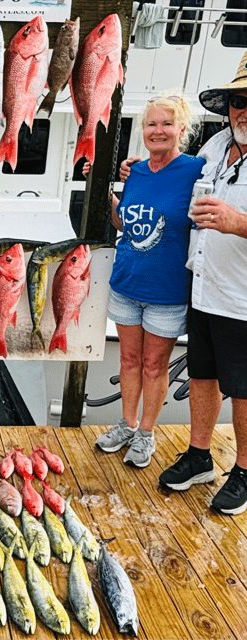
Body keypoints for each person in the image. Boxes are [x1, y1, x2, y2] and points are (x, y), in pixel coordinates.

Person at [91, 91, 204, 468]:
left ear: (182, 129)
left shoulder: (195, 169)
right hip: (127, 283)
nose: (159, 131)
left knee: (155, 365)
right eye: (152, 124)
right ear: (143, 131)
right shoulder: (135, 172)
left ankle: (146, 433)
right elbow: (125, 223)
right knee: (127, 359)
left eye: (167, 124)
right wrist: (106, 195)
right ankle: (126, 423)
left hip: (167, 291)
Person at [156, 52, 247, 515]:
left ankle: (245, 471)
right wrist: (143, 168)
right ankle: (199, 455)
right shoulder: (214, 148)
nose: (243, 110)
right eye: (237, 100)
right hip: (204, 285)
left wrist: (238, 222)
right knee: (202, 374)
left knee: (246, 388)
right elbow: (178, 178)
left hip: (243, 298)